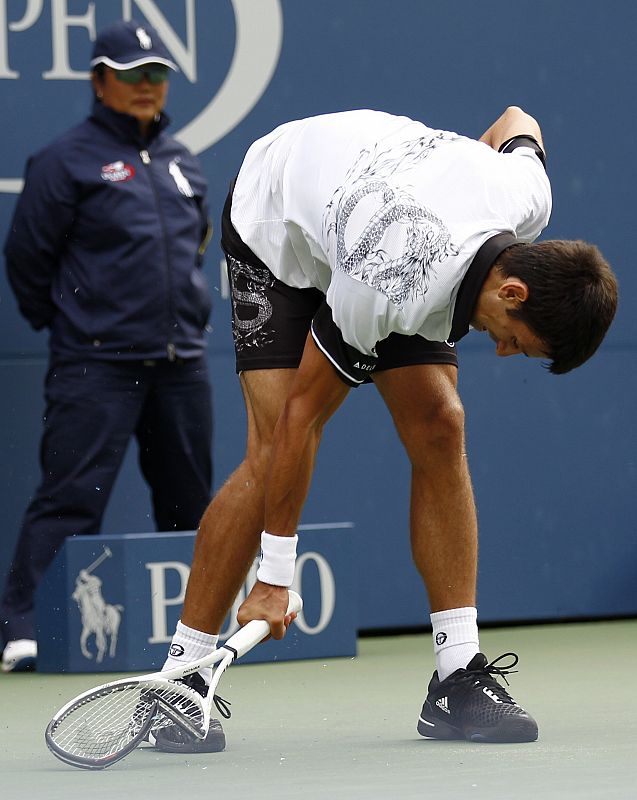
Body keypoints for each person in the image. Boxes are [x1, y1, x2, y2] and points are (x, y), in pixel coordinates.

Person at [153, 106, 617, 752]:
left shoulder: (522, 196)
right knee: (270, 454)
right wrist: (273, 577)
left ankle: (457, 677)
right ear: (511, 292)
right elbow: (302, 418)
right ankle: (179, 683)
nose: (504, 354)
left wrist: (463, 167)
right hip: (279, 224)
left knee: (440, 423)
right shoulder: (390, 281)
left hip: (385, 220)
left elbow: (518, 119)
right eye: (517, 342)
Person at [1, 20, 215, 680]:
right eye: (131, 74)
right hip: (95, 363)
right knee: (70, 500)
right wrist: (77, 323)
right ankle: (24, 628)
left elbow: (197, 247)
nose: (147, 86)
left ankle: (195, 635)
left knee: (192, 504)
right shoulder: (64, 159)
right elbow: (26, 258)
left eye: (156, 74)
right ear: (99, 81)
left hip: (181, 363)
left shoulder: (182, 160)